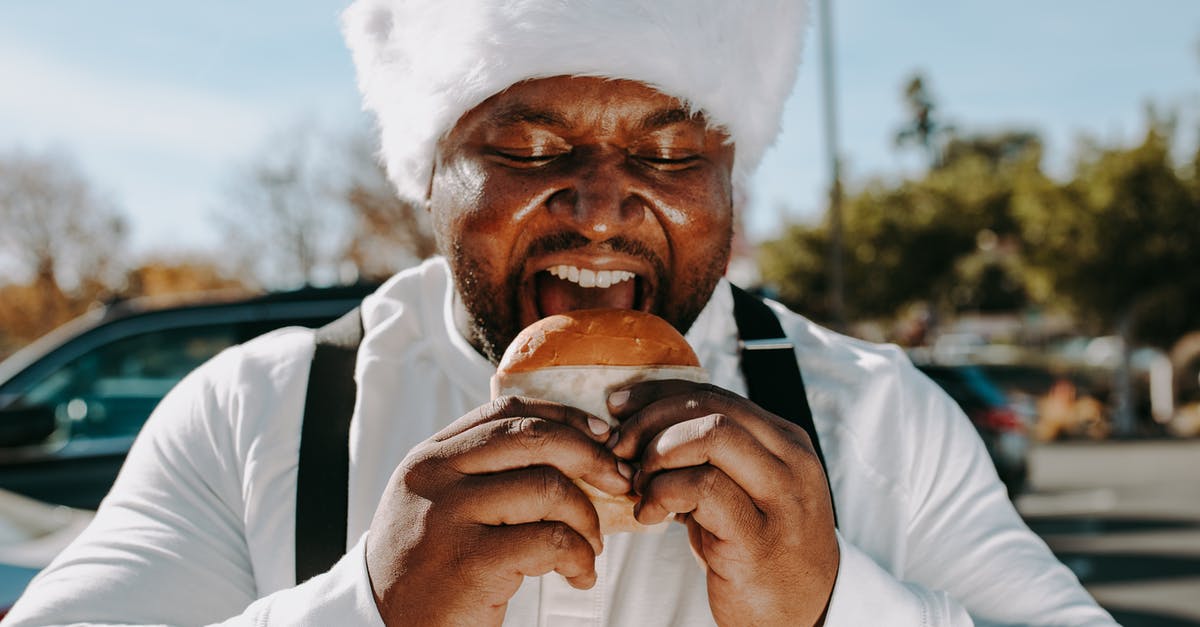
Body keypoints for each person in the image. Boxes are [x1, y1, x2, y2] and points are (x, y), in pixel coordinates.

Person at [6, 1, 1115, 625]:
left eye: (671, 152)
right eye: (530, 148)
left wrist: (840, 606)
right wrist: (365, 610)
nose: (599, 210)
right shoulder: (258, 413)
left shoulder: (879, 420)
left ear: (732, 180)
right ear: (430, 172)